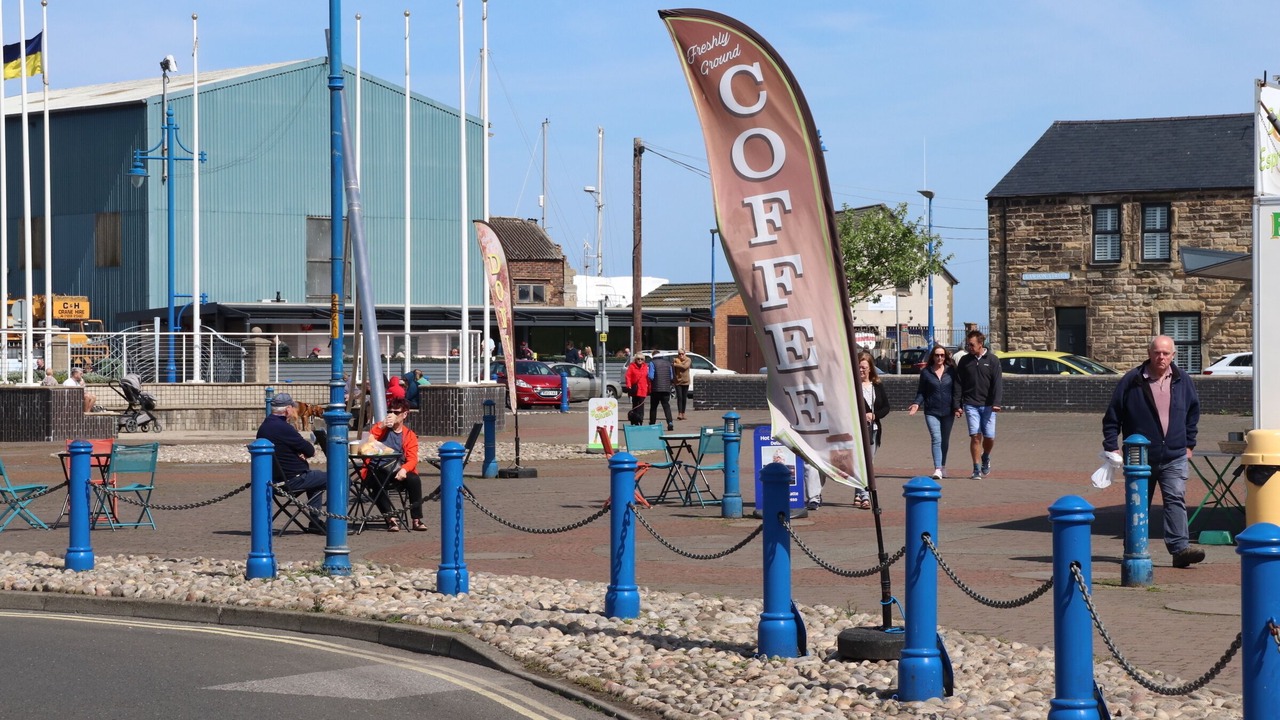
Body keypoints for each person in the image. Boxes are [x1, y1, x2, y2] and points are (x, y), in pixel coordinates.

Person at [1103, 335, 1205, 569]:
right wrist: (1111, 446)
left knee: (1175, 499)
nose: (1161, 357)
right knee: (1138, 503)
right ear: (1149, 353)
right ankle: (1133, 548)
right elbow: (1112, 416)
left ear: (1173, 356)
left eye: (1166, 353)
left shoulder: (1183, 380)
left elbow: (1193, 412)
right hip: (1140, 458)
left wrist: (1190, 444)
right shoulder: (1133, 380)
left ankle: (1180, 550)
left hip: (1175, 455)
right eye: (1157, 352)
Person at [256, 392, 327, 534]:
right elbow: (310, 450)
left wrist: (295, 452)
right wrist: (301, 452)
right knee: (339, 479)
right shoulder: (285, 428)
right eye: (293, 408)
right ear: (288, 409)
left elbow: (284, 449)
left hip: (273, 480)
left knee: (316, 478)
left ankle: (315, 522)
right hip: (291, 480)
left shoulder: (264, 427)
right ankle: (336, 522)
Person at [363, 399, 427, 532]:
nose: (392, 414)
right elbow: (367, 442)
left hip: (397, 470)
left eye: (396, 412)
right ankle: (390, 518)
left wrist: (404, 469)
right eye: (389, 411)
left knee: (414, 479)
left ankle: (416, 519)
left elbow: (412, 459)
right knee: (376, 480)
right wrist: (382, 426)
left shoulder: (409, 435)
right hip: (376, 468)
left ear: (404, 414)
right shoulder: (381, 428)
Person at [908, 344, 961, 479]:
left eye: (942, 355)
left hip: (948, 411)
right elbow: (921, 392)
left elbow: (956, 391)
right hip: (931, 411)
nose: (939, 357)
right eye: (937, 355)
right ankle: (937, 468)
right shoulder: (926, 372)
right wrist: (916, 404)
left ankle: (943, 466)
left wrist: (957, 407)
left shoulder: (951, 371)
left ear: (945, 356)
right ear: (933, 356)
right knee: (936, 438)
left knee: (945, 440)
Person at [955, 330, 1002, 480]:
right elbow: (958, 383)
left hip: (988, 405)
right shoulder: (964, 361)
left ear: (980, 344)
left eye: (972, 344)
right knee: (975, 436)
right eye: (968, 344)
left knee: (989, 437)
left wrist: (996, 402)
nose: (969, 347)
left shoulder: (993, 360)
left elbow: (997, 384)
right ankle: (976, 469)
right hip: (971, 404)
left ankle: (986, 456)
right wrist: (957, 404)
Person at [854, 350, 889, 510]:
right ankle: (864, 495)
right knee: (862, 463)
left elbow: (886, 407)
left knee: (869, 463)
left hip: (874, 430)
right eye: (859, 367)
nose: (861, 370)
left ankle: (858, 493)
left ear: (870, 368)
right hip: (857, 430)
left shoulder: (877, 385)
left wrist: (874, 415)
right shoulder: (853, 387)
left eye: (863, 367)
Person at [647, 352, 675, 430]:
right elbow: (672, 376)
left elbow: (651, 376)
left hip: (655, 389)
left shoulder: (652, 363)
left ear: (653, 356)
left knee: (653, 407)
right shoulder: (668, 363)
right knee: (666, 406)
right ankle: (670, 423)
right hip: (666, 388)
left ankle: (652, 423)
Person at [623, 354, 651, 426]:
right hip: (635, 389)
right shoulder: (632, 367)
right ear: (635, 359)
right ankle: (634, 420)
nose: (640, 360)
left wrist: (649, 388)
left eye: (641, 359)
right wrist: (628, 385)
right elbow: (628, 376)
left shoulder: (645, 367)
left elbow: (648, 378)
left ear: (644, 360)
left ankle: (640, 420)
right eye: (638, 359)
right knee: (635, 405)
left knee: (641, 406)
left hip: (643, 389)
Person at [672, 349, 693, 420]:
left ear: (685, 354)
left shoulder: (688, 360)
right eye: (679, 354)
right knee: (679, 398)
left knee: (684, 398)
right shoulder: (676, 360)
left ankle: (683, 413)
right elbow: (673, 369)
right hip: (678, 381)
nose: (681, 355)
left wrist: (675, 364)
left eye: (682, 354)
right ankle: (679, 413)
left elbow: (685, 367)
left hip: (686, 381)